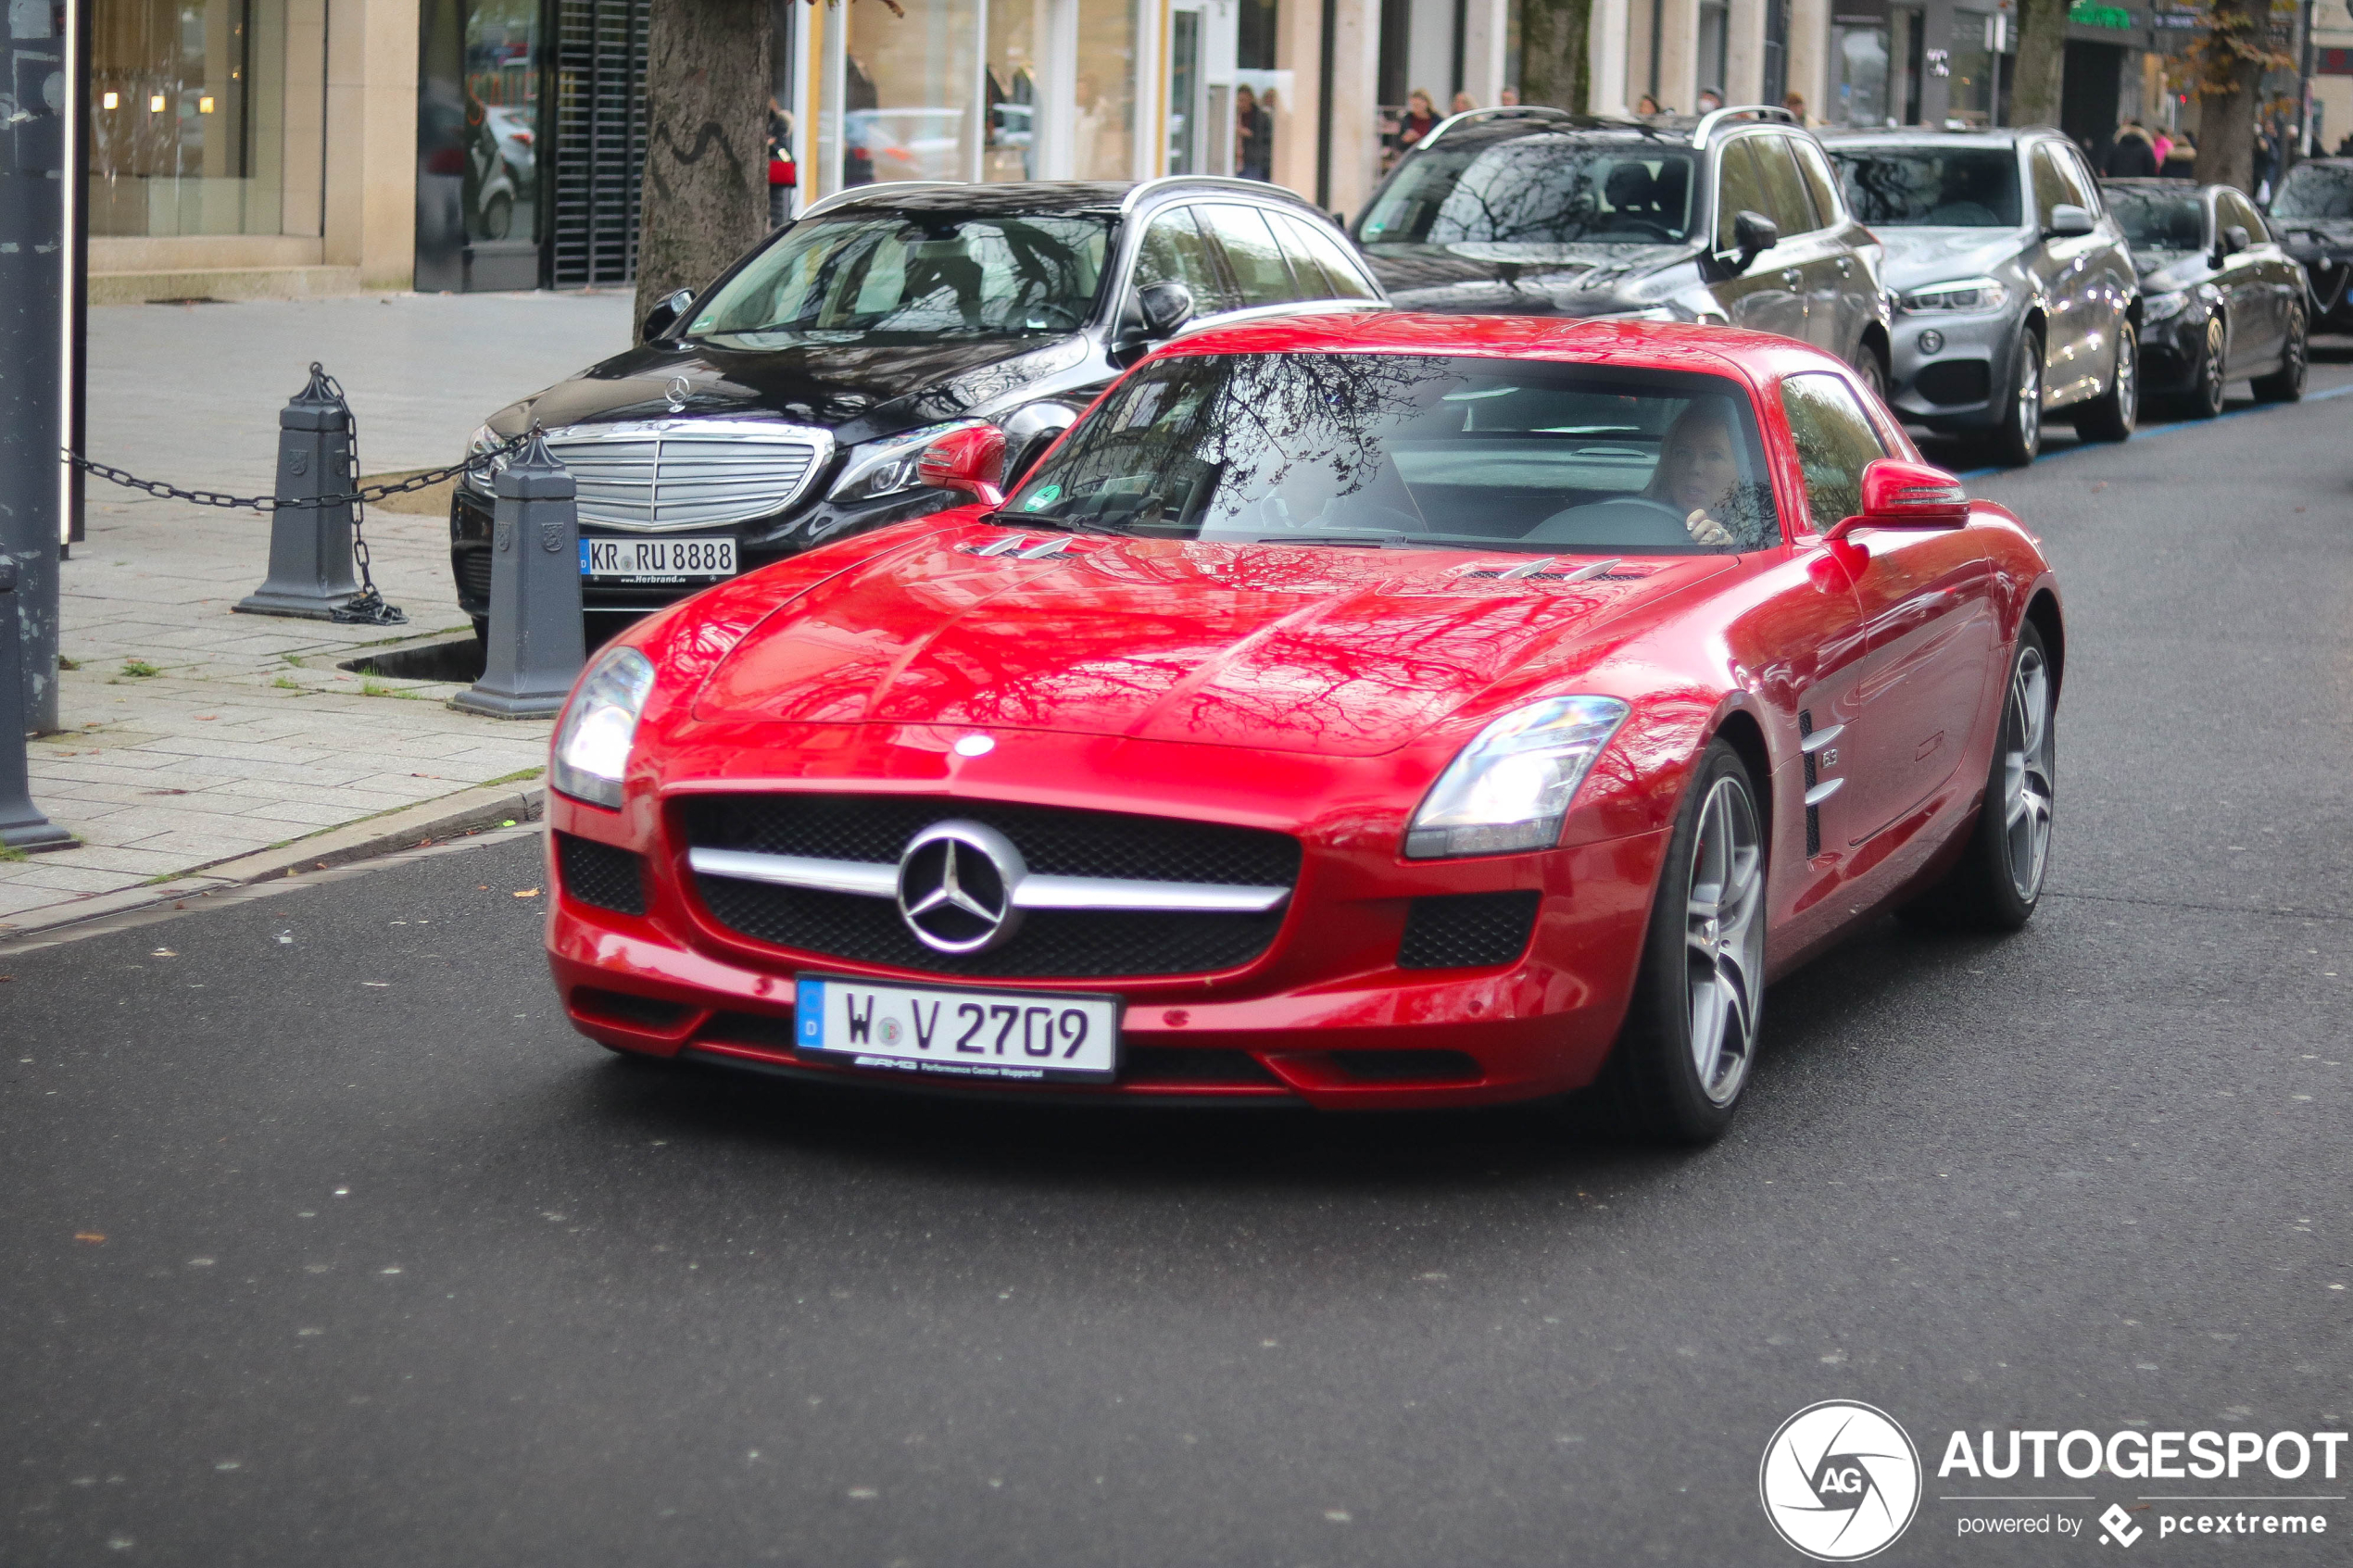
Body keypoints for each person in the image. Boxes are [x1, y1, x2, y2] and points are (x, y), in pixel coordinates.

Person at [1647, 400, 1753, 546]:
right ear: (1668, 463)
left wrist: (1724, 550)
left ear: (1741, 470)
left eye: (1713, 456)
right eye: (1683, 453)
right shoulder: (1635, 523)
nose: (1695, 467)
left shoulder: (1757, 539)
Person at [1235, 84, 1273, 182]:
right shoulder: (1234, 115)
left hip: (1254, 163)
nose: (1241, 104)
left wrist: (1249, 134)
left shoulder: (1261, 118)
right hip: (1236, 161)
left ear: (1251, 99)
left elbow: (1266, 139)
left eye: (1243, 100)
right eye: (1239, 100)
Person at [1396, 88, 1439, 158]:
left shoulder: (1437, 120)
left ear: (1426, 103)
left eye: (1417, 105)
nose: (1415, 109)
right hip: (1412, 158)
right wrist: (1405, 140)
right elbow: (1398, 145)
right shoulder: (1407, 120)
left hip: (1432, 156)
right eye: (1413, 105)